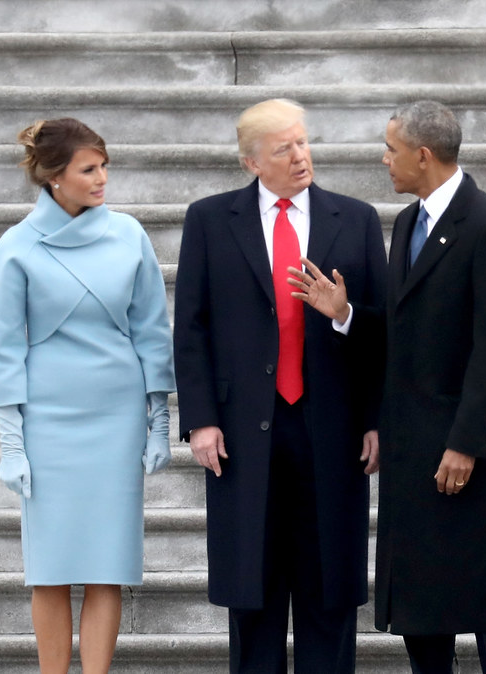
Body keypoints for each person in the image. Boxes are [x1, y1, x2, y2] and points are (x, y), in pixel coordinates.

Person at [172, 98, 388, 674]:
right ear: (251, 163)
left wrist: (374, 415)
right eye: (283, 149)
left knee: (329, 596)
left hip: (332, 430)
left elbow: (382, 329)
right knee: (253, 596)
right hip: (243, 433)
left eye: (303, 142)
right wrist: (200, 419)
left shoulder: (357, 218)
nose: (300, 157)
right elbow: (190, 327)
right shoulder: (210, 220)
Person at [0, 118, 176, 674]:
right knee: (49, 567)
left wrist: (158, 418)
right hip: (48, 423)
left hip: (115, 420)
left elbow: (151, 329)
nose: (102, 179)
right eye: (89, 169)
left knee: (106, 563)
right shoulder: (16, 248)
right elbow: (6, 350)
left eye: (103, 166)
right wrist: (11, 442)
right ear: (53, 179)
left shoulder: (129, 235)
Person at [370, 99, 486, 673]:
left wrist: (465, 443)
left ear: (421, 154)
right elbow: (409, 325)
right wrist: (345, 313)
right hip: (414, 451)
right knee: (422, 613)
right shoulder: (409, 221)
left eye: (391, 150)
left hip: (471, 453)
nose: (383, 160)